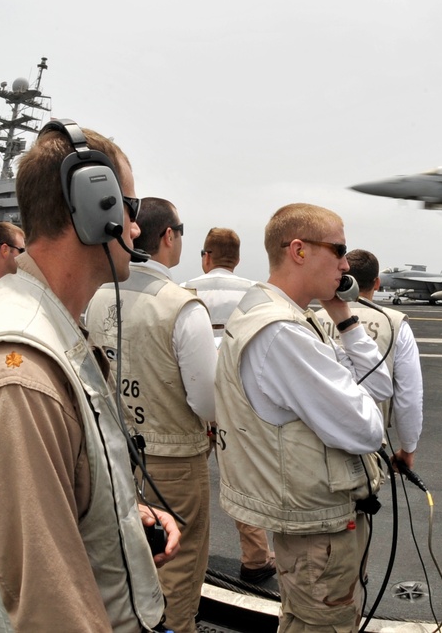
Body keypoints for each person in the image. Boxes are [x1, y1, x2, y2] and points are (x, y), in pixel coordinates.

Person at [0, 120, 180, 632]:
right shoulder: (16, 378)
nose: (136, 230)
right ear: (93, 207)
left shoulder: (49, 327)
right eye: (128, 209)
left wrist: (117, 513)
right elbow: (51, 610)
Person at [214, 203, 391, 632]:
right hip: (320, 530)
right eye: (339, 250)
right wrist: (355, 396)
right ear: (298, 250)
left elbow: (379, 386)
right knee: (325, 624)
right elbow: (368, 429)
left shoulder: (281, 314)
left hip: (311, 523)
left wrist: (343, 316)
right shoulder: (284, 333)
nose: (346, 265)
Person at [87, 198, 216, 633]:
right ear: (169, 236)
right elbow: (207, 402)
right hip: (173, 460)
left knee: (124, 560)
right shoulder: (181, 306)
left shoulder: (98, 296)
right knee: (178, 567)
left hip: (113, 450)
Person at [180, 227, 277, 584]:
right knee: (241, 480)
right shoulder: (255, 293)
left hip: (192, 399)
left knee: (186, 479)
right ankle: (255, 558)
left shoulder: (184, 290)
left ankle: (180, 550)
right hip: (238, 400)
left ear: (206, 256)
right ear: (236, 259)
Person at [315, 249, 424, 473]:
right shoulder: (395, 323)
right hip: (366, 447)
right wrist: (408, 449)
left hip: (316, 447)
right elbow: (409, 397)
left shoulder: (314, 319)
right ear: (377, 283)